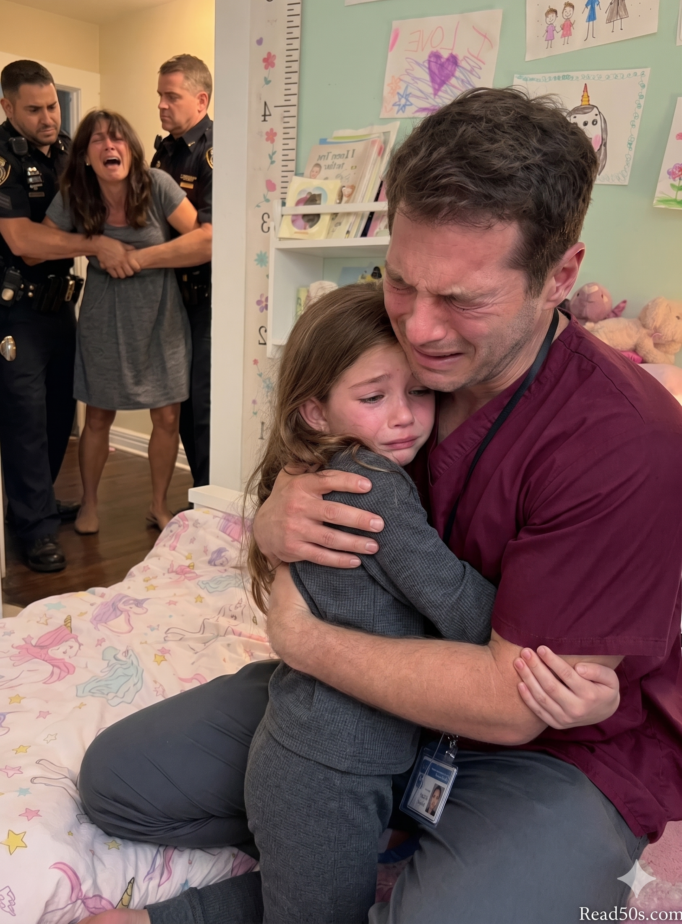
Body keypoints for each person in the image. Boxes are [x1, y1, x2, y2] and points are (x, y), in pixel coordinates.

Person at [79, 88, 682, 924]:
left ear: (560, 278)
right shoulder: (385, 361)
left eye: (463, 300)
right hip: (372, 696)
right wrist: (272, 517)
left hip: (556, 748)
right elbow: (305, 449)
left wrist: (308, 643)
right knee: (119, 784)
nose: (420, 329)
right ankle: (350, 848)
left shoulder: (625, 440)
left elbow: (514, 701)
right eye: (400, 280)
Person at [243, 283, 498, 924]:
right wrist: (554, 624)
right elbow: (462, 609)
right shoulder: (372, 488)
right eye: (373, 397)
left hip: (325, 750)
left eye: (419, 391)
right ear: (315, 411)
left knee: (311, 897)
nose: (404, 416)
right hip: (329, 768)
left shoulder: (324, 468)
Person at [44, 109, 210, 533]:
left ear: (131, 149)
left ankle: (158, 505)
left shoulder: (158, 185)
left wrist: (138, 258)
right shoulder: (75, 194)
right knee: (98, 417)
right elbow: (41, 242)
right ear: (85, 155)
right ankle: (89, 504)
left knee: (167, 418)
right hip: (104, 320)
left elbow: (205, 241)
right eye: (97, 140)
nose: (109, 146)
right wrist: (97, 244)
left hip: (162, 318)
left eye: (117, 138)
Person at [0, 60, 138, 573]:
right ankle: (34, 529)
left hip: (62, 305)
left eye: (53, 106)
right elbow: (23, 240)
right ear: (7, 106)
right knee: (25, 420)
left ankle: (31, 506)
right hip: (16, 312)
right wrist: (96, 244)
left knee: (61, 414)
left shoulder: (66, 152)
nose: (48, 118)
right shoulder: (3, 157)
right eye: (34, 109)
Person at [152, 55, 213, 488]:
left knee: (206, 409)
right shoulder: (162, 152)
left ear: (201, 100)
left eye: (171, 96)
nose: (161, 104)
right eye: (159, 96)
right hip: (169, 302)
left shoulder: (212, 153)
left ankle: (212, 504)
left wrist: (140, 258)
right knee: (181, 407)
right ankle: (200, 499)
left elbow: (209, 241)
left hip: (205, 303)